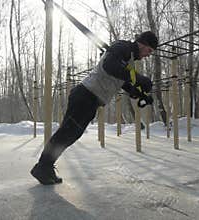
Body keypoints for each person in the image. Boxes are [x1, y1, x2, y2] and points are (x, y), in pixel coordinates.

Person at [31, 31, 158, 185]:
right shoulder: (122, 47)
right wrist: (139, 78)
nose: (148, 55)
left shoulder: (128, 59)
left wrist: (137, 92)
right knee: (66, 133)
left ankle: (46, 167)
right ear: (142, 43)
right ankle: (42, 167)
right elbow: (109, 66)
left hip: (91, 99)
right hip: (85, 95)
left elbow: (121, 80)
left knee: (71, 135)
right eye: (149, 51)